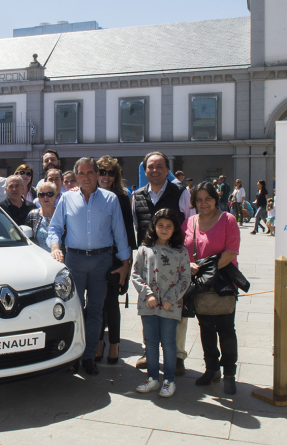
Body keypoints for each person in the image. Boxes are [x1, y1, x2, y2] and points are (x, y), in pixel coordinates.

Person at [47, 157, 131, 376]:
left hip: (101, 261)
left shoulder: (110, 199)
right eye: (81, 174)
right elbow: (54, 228)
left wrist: (125, 264)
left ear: (96, 174)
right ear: (76, 176)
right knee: (73, 309)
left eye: (90, 173)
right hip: (74, 260)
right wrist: (56, 247)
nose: (86, 177)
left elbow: (120, 233)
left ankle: (89, 357)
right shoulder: (66, 198)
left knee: (95, 310)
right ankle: (72, 356)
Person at [131, 152, 191, 373]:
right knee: (150, 307)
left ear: (168, 170)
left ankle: (178, 356)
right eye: (150, 167)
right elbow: (137, 226)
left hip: (175, 261)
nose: (154, 170)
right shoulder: (137, 195)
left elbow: (190, 225)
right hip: (149, 263)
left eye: (159, 166)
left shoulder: (181, 193)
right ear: (145, 170)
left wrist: (189, 259)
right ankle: (150, 351)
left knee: (177, 311)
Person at [184, 181, 241, 395]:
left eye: (207, 198)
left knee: (226, 329)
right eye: (199, 199)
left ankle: (229, 374)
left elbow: (231, 251)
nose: (203, 203)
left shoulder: (228, 219)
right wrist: (187, 263)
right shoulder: (190, 222)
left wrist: (209, 270)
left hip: (222, 282)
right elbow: (183, 248)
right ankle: (212, 369)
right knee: (205, 328)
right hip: (199, 283)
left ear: (216, 199)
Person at [132, 208, 190, 398]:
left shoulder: (181, 251)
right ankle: (152, 378)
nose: (164, 230)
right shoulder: (144, 249)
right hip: (148, 305)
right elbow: (136, 274)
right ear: (154, 227)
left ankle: (169, 380)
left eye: (169, 226)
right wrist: (147, 294)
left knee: (168, 343)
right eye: (160, 226)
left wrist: (170, 299)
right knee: (150, 342)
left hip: (170, 306)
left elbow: (184, 278)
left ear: (174, 229)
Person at [95, 156, 137, 365]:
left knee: (111, 301)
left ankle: (114, 344)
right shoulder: (89, 195)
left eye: (111, 173)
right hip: (94, 256)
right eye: (102, 171)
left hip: (115, 257)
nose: (106, 176)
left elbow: (128, 232)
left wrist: (126, 264)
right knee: (96, 303)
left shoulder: (121, 197)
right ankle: (99, 341)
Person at [25, 180, 58, 252]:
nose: (45, 197)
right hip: (40, 257)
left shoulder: (61, 214)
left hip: (60, 257)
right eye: (42, 195)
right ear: (38, 198)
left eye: (49, 194)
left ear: (55, 196)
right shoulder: (32, 215)